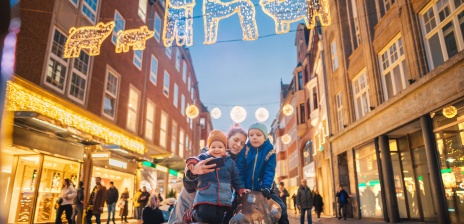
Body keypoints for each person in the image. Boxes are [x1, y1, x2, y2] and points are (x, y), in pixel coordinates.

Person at [168, 123, 247, 224]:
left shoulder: (233, 162)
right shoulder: (206, 155)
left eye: (242, 143)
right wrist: (193, 171)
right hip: (191, 200)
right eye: (236, 140)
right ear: (228, 139)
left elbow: (236, 181)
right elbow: (189, 186)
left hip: (214, 204)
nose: (238, 145)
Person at [236, 122, 290, 224]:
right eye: (251, 135)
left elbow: (269, 171)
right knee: (231, 208)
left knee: (281, 206)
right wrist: (241, 187)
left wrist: (266, 187)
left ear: (265, 137)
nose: (254, 137)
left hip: (262, 189)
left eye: (258, 135)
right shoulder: (245, 150)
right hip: (245, 189)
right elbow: (240, 169)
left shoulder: (269, 151)